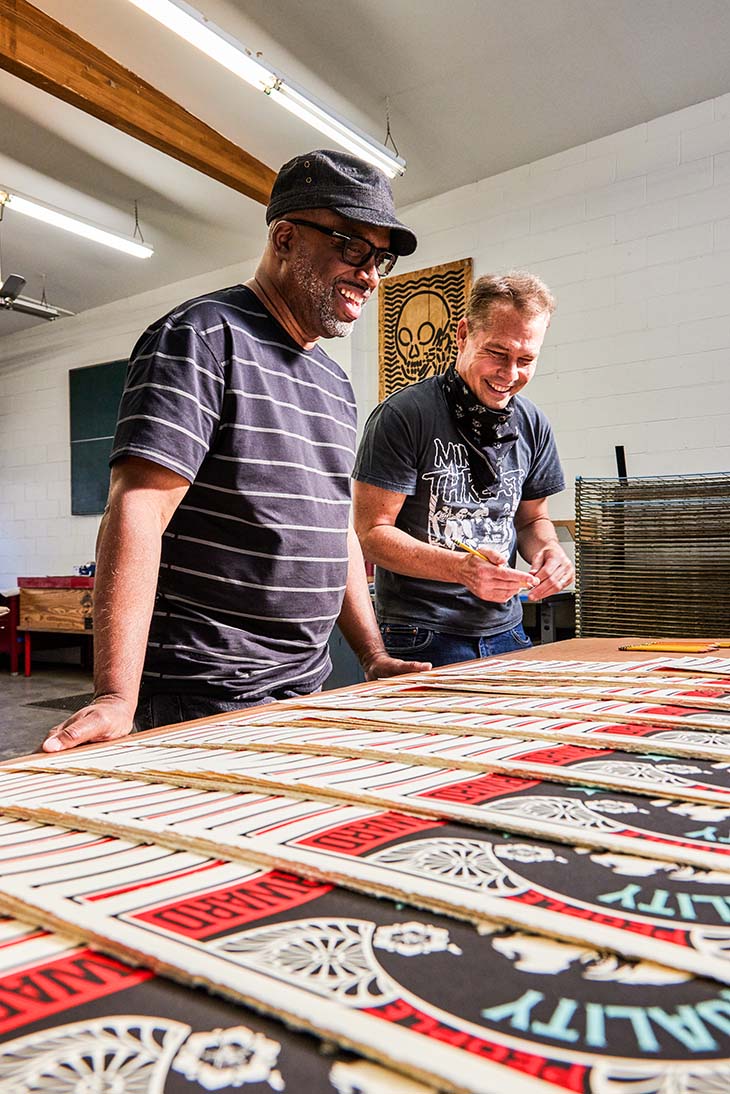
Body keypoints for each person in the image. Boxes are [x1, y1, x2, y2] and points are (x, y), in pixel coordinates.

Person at [43, 149, 430, 753]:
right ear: (284, 238)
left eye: (379, 257)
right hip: (203, 690)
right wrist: (116, 695)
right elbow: (139, 508)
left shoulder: (334, 381)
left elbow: (338, 532)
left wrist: (374, 655)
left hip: (305, 685)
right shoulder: (201, 337)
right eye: (352, 247)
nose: (370, 274)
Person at [353, 271, 574, 668]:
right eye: (497, 353)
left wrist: (550, 552)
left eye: (526, 360)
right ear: (463, 334)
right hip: (421, 634)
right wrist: (460, 569)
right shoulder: (404, 415)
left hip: (507, 628)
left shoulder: (532, 424)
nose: (509, 375)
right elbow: (371, 534)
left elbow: (531, 520)